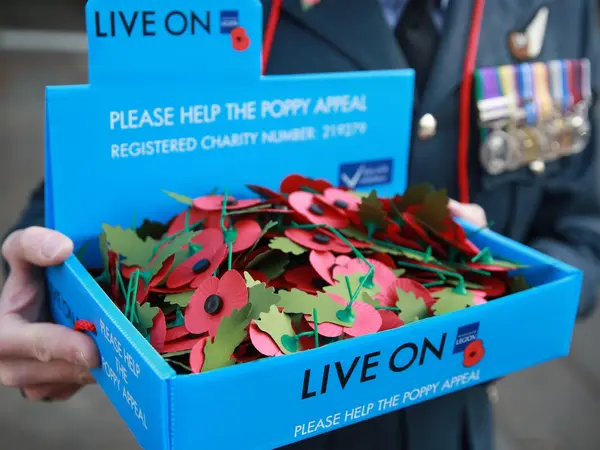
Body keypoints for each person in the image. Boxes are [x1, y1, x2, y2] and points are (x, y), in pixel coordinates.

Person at [1, 0, 599, 449]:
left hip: (453, 420)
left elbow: (587, 225)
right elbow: (101, 170)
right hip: (245, 427)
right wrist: (46, 298)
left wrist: (502, 277)